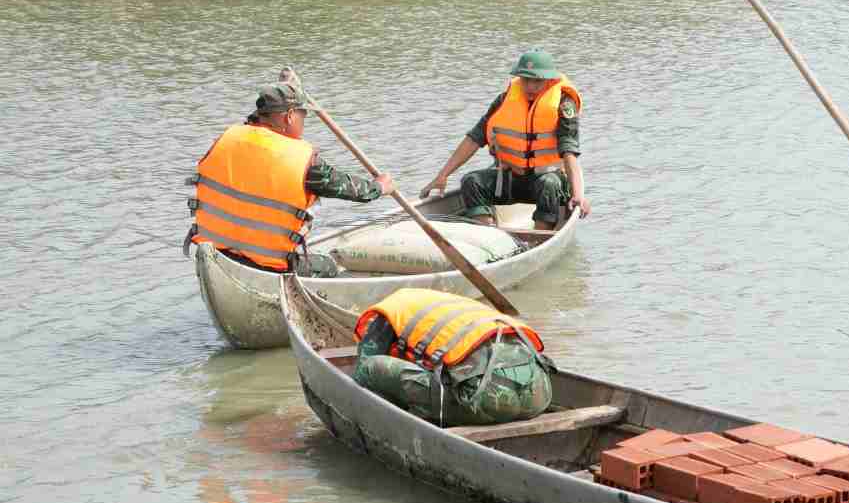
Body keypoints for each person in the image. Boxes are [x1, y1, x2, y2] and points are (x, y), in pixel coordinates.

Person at [185, 82, 394, 276]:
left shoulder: (227, 139)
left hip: (216, 253)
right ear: (290, 116)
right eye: (303, 117)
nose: (303, 124)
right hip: (270, 266)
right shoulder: (303, 161)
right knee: (329, 266)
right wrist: (378, 186)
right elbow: (354, 190)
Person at [420, 50, 590, 231]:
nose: (530, 86)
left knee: (547, 184)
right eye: (525, 80)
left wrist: (578, 194)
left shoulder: (564, 105)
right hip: (511, 180)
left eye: (537, 81)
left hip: (550, 183)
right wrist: (442, 175)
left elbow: (569, 152)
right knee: (471, 181)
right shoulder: (504, 100)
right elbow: (474, 138)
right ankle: (488, 235)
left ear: (549, 80)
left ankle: (538, 237)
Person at [353, 288, 553, 427]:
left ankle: (424, 414)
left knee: (371, 367)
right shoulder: (449, 308)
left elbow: (363, 366)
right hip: (539, 395)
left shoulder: (390, 314)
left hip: (486, 402)